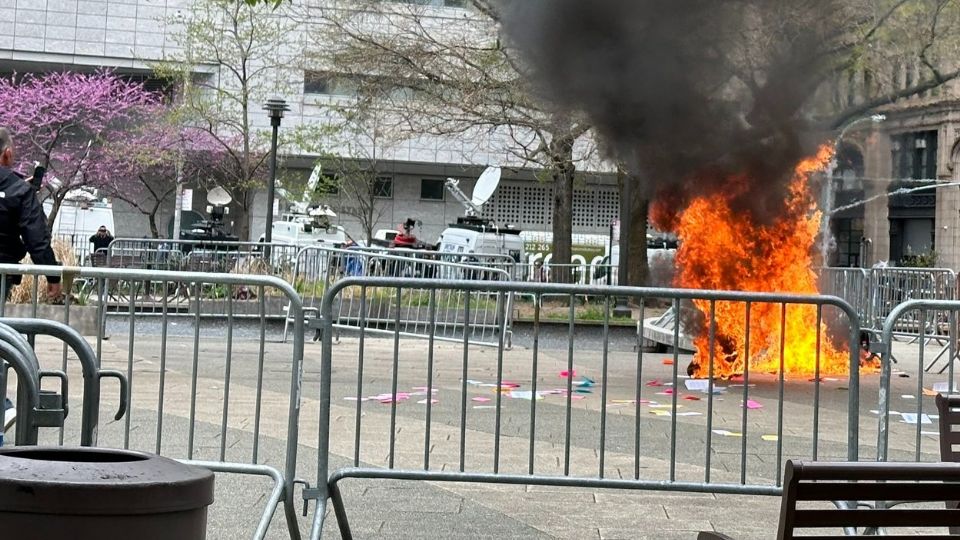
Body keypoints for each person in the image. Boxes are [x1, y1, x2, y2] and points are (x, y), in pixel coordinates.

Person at [0, 127, 61, 301]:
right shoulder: (20, 190)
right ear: (7, 153)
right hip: (3, 266)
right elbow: (36, 239)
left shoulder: (19, 187)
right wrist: (52, 275)